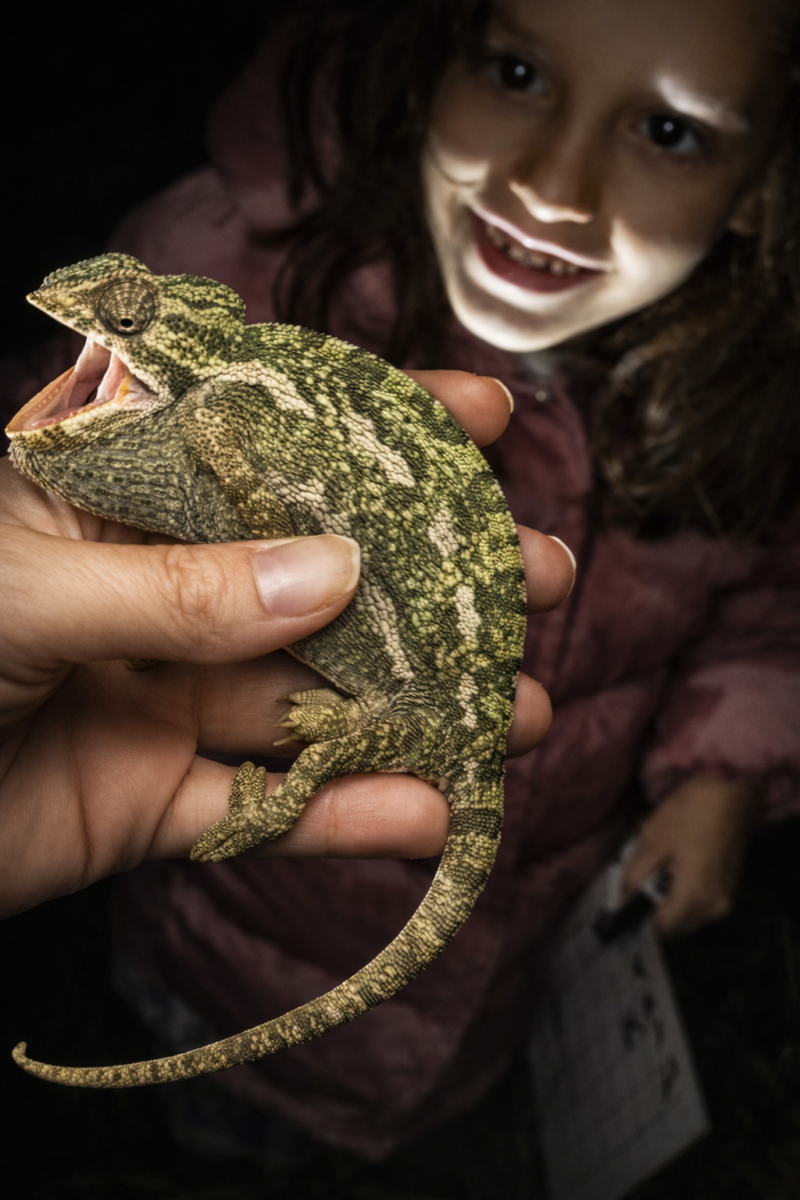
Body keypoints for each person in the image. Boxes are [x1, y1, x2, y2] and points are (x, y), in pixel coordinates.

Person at [2, 0, 800, 1164]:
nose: (553, 184)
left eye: (669, 131)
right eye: (515, 71)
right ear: (424, 62)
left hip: (507, 895)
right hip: (223, 904)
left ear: (762, 191)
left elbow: (770, 611)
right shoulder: (224, 280)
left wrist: (720, 770)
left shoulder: (748, 428)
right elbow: (47, 466)